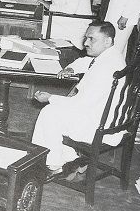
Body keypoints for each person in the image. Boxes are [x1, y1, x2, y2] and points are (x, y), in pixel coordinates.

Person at [31, 21, 126, 179]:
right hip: (111, 119)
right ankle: (72, 159)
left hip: (100, 127)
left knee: (49, 113)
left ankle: (54, 165)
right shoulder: (113, 56)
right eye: (86, 38)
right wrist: (71, 68)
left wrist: (50, 98)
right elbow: (87, 62)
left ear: (107, 41)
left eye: (91, 39)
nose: (86, 43)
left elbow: (79, 105)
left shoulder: (104, 70)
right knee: (55, 112)